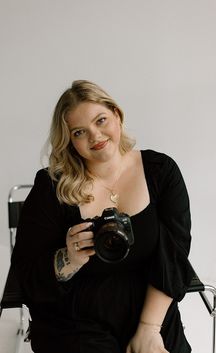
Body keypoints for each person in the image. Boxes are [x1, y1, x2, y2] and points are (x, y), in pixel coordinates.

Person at [11, 80, 195, 353]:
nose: (95, 136)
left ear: (117, 115)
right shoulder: (51, 186)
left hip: (149, 306)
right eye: (79, 132)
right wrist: (69, 259)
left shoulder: (160, 171)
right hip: (73, 316)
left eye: (101, 120)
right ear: (70, 141)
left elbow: (174, 254)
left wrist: (149, 329)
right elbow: (26, 274)